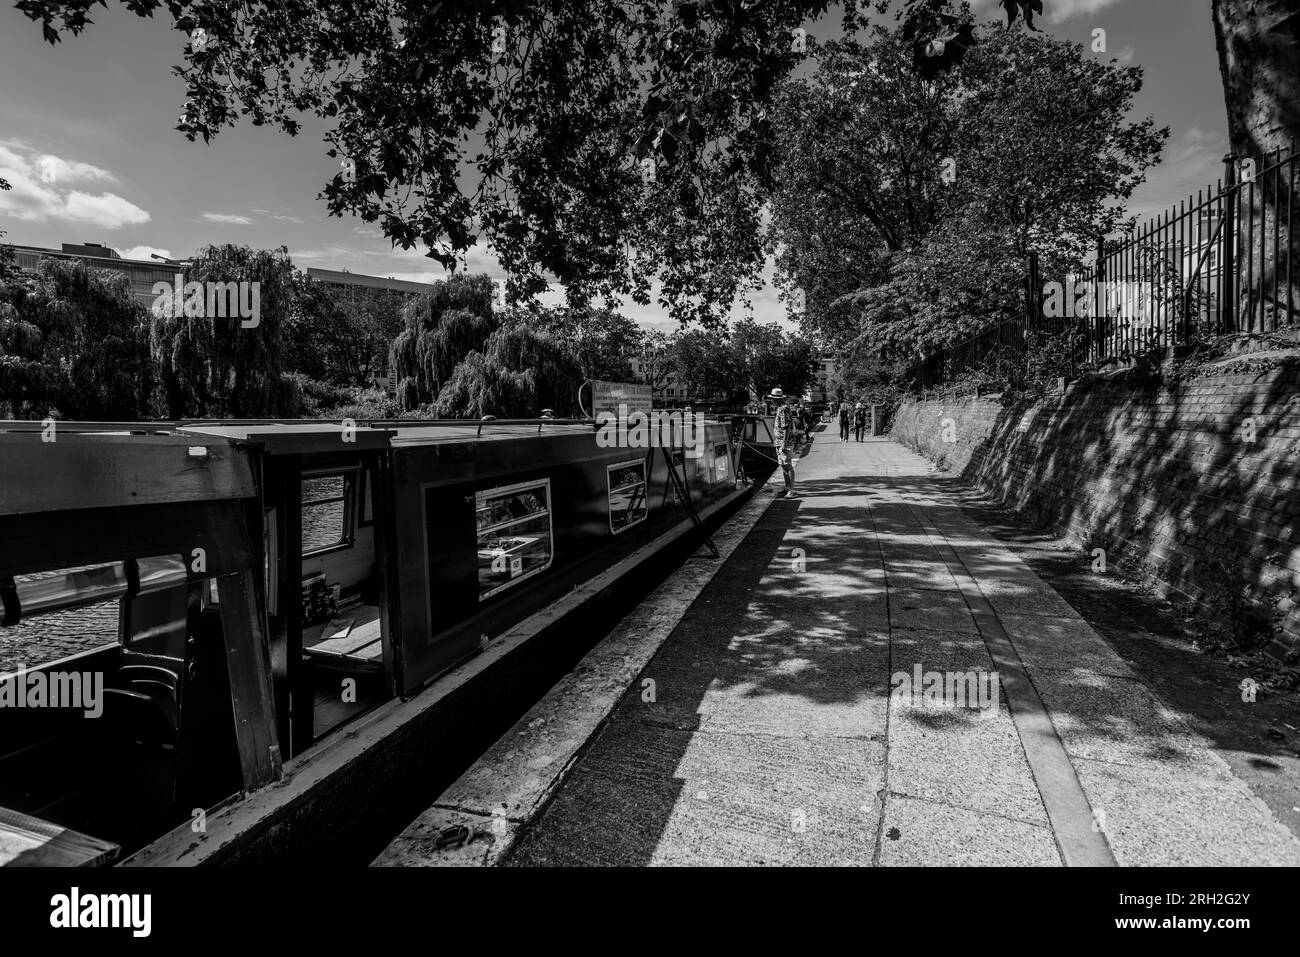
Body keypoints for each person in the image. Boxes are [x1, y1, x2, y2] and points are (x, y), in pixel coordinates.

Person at [769, 387, 798, 499]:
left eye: (772, 399)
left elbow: (786, 426)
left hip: (784, 441)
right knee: (783, 466)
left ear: (776, 399)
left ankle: (792, 490)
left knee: (788, 465)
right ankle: (787, 488)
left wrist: (784, 442)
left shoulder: (783, 409)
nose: (771, 401)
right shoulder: (781, 408)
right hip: (779, 441)